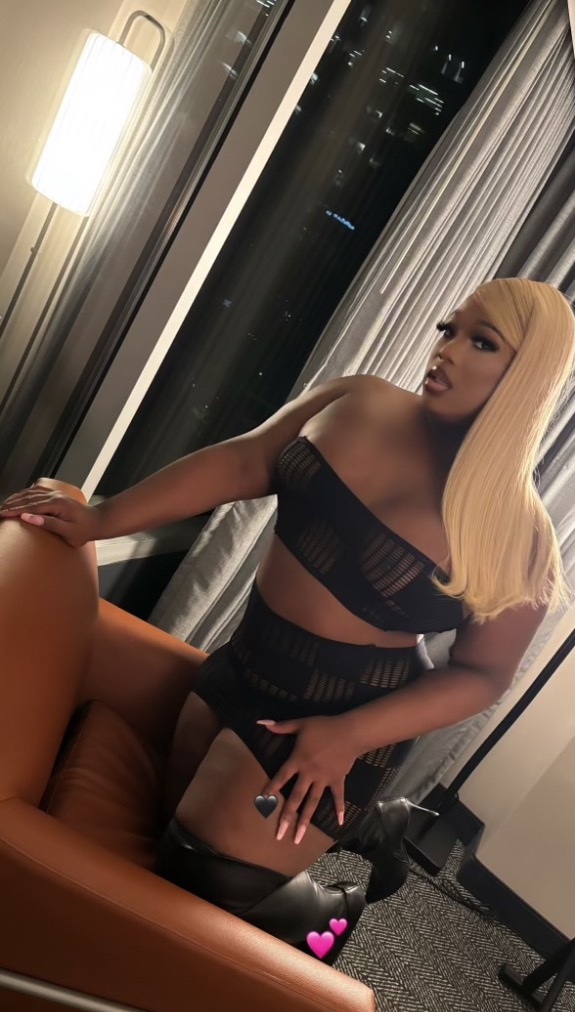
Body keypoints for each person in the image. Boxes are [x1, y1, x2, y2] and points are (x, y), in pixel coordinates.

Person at [2, 278, 574, 963]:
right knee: (168, 827)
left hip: (343, 717)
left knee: (202, 869)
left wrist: (349, 735)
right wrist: (102, 519)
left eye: (481, 342)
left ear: (527, 377)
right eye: (448, 330)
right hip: (245, 661)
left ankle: (331, 909)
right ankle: (373, 826)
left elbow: (482, 676)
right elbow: (245, 460)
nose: (446, 351)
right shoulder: (357, 399)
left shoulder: (519, 538)